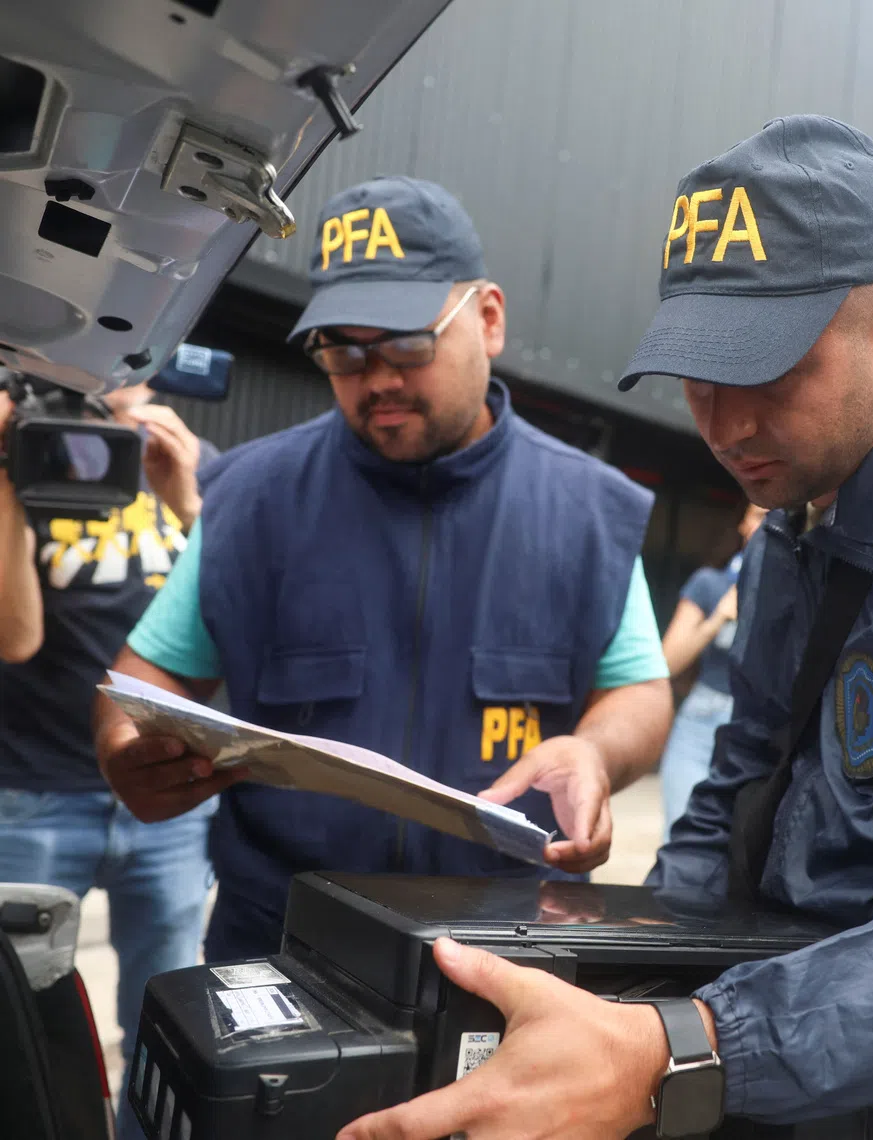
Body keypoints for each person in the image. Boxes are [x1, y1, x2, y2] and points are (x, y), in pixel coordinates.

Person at [334, 116, 873, 1140]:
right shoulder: (791, 532)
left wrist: (688, 1049)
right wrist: (618, 995)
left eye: (765, 374)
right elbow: (735, 799)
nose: (722, 424)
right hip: (805, 1076)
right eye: (697, 374)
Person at [92, 176, 674, 963]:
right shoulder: (254, 500)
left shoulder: (583, 510)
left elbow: (638, 688)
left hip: (502, 951)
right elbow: (143, 682)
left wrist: (597, 754)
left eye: (407, 343)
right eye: (344, 351)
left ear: (490, 319)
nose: (379, 379)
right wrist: (130, 749)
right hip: (282, 946)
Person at [0, 381, 217, 1140]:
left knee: (165, 1019)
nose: (101, 387)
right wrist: (6, 473)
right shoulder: (27, 464)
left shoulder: (184, 463)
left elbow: (242, 613)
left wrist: (190, 499)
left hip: (170, 800)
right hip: (32, 790)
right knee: (13, 1010)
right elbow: (14, 637)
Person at [658, 502, 766, 835]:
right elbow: (667, 664)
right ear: (744, 524)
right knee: (681, 835)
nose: (766, 524)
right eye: (758, 515)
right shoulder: (710, 583)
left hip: (760, 728)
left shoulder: (801, 585)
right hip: (700, 722)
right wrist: (717, 618)